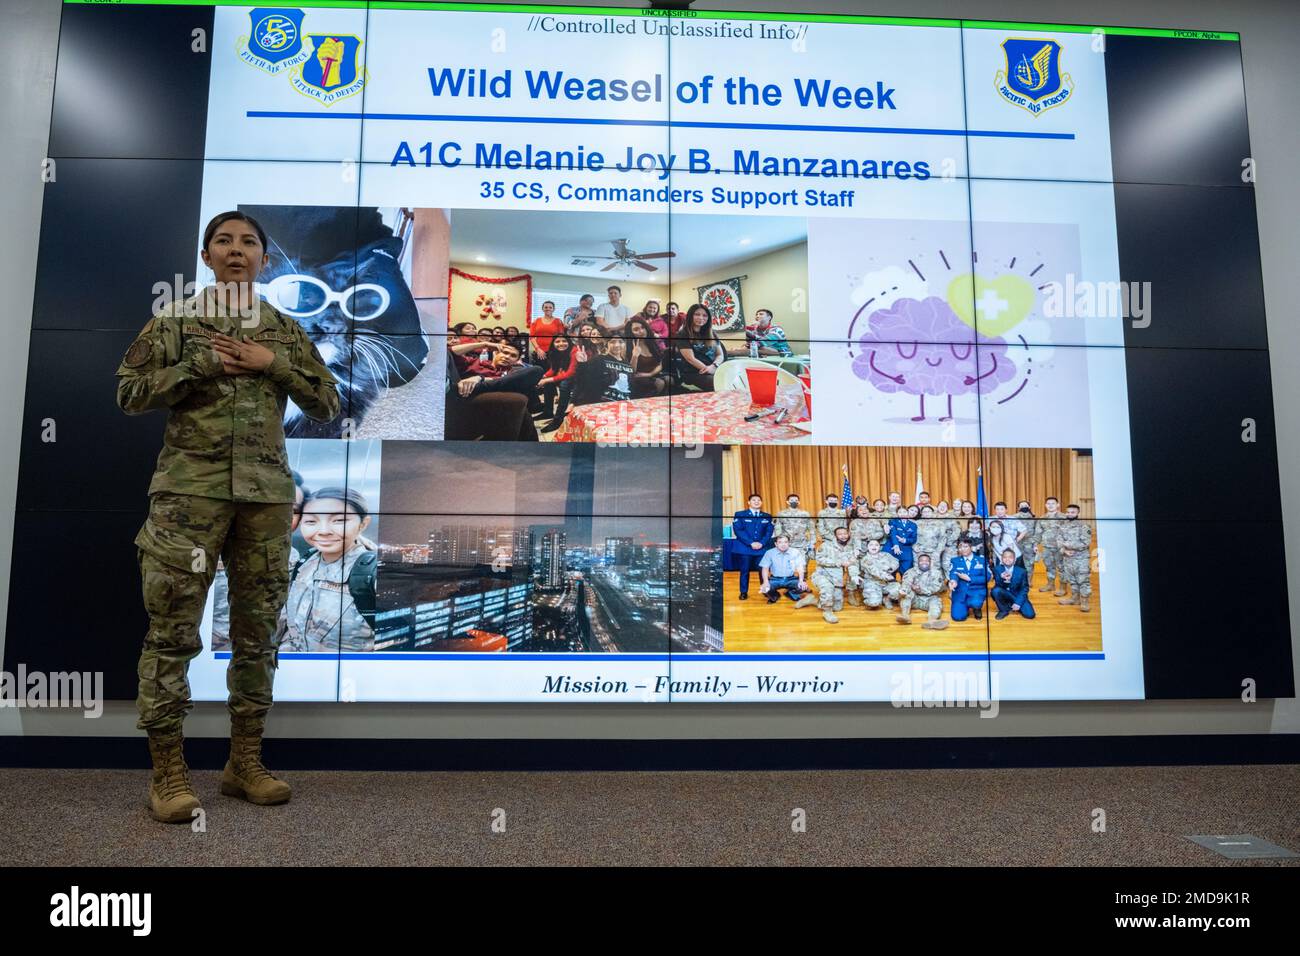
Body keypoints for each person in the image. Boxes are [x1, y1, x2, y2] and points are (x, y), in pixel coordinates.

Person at [117, 210, 341, 822]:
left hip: (266, 500)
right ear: (207, 255)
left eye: (249, 243)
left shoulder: (284, 329)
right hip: (189, 498)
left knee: (258, 635)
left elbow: (327, 400)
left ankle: (244, 764)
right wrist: (201, 365)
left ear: (264, 260)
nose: (237, 251)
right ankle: (168, 774)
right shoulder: (177, 320)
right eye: (225, 241)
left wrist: (274, 365)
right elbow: (128, 392)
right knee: (173, 633)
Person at [284, 488, 378, 652]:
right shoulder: (304, 564)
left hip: (352, 675)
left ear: (363, 524)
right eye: (311, 522)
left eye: (339, 521)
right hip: (299, 672)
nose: (324, 531)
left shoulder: (372, 572)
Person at [803, 526, 858, 624]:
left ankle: (812, 600)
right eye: (840, 534)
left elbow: (852, 562)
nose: (843, 536)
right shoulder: (826, 545)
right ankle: (827, 613)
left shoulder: (849, 547)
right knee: (827, 589)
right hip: (823, 575)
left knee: (838, 607)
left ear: (848, 534)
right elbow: (819, 559)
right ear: (835, 536)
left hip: (837, 580)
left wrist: (854, 575)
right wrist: (839, 562)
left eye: (845, 534)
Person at [674, 303, 727, 391]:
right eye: (697, 314)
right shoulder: (682, 334)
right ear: (690, 316)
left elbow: (720, 355)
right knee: (718, 383)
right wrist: (708, 370)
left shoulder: (711, 333)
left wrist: (714, 366)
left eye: (704, 315)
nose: (701, 318)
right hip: (693, 372)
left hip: (713, 369)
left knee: (732, 379)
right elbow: (690, 359)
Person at [732, 494, 774, 600]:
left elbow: (769, 532)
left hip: (761, 548)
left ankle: (765, 589)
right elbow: (738, 530)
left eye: (759, 500)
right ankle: (743, 592)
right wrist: (751, 543)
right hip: (745, 548)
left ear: (761, 502)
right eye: (754, 500)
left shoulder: (767, 516)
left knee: (763, 571)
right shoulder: (740, 514)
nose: (756, 502)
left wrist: (762, 543)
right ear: (749, 502)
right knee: (744, 571)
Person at [1057, 504, 1094, 612]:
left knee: (1083, 580)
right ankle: (1074, 598)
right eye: (1068, 512)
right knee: (1072, 580)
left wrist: (1067, 544)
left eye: (1072, 512)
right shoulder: (1062, 526)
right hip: (1067, 558)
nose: (1069, 514)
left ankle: (1084, 602)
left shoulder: (1084, 526)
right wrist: (1064, 551)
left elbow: (1085, 543)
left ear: (1078, 513)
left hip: (1081, 559)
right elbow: (1059, 541)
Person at [897, 553, 949, 629]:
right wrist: (903, 591)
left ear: (930, 563)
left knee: (936, 602)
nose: (924, 562)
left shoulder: (936, 573)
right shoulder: (911, 571)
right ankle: (905, 616)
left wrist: (920, 590)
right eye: (921, 561)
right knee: (907, 595)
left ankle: (932, 621)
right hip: (915, 599)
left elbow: (936, 588)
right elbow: (906, 583)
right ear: (918, 562)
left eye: (926, 561)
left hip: (929, 599)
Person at [537, 333, 578, 424]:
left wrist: (546, 379)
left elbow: (571, 373)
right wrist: (542, 377)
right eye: (557, 341)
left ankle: (558, 418)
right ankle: (548, 412)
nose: (561, 343)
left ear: (569, 342)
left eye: (564, 341)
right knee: (548, 383)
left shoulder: (574, 350)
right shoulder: (555, 352)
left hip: (578, 379)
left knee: (564, 384)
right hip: (567, 377)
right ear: (553, 343)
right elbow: (553, 369)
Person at [623, 317, 667, 398]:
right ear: (631, 333)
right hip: (637, 378)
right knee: (660, 383)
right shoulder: (628, 346)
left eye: (643, 327)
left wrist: (650, 374)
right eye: (636, 329)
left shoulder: (652, 342)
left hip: (651, 374)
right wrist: (635, 356)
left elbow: (660, 364)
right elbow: (631, 372)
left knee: (669, 380)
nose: (641, 331)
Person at [758, 534, 808, 603]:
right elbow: (765, 568)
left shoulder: (795, 552)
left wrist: (801, 580)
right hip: (775, 579)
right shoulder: (769, 553)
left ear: (789, 543)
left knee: (803, 587)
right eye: (780, 542)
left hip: (791, 578)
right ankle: (775, 596)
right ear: (776, 544)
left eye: (785, 542)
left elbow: (800, 567)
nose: (783, 544)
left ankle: (791, 593)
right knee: (764, 589)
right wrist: (766, 582)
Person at [947, 539, 989, 622]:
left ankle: (976, 608)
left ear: (971, 548)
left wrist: (970, 579)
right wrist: (953, 581)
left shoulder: (981, 560)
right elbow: (953, 573)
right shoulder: (955, 560)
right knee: (958, 617)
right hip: (960, 591)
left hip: (976, 591)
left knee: (975, 602)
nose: (963, 549)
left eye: (965, 547)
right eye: (960, 547)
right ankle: (963, 606)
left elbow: (988, 577)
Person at [991, 548, 1036, 620]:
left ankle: (1012, 604)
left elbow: (1025, 588)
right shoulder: (997, 569)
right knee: (995, 591)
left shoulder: (1022, 571)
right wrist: (1001, 578)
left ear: (1014, 560)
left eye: (1010, 557)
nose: (1007, 559)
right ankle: (1003, 610)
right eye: (1005, 557)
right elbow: (998, 586)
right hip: (1005, 593)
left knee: (1030, 615)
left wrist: (1018, 602)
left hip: (1017, 595)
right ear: (1002, 559)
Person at [858, 538, 901, 611]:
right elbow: (874, 571)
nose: (874, 547)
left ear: (879, 547)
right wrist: (886, 575)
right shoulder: (865, 559)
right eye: (871, 545)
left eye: (876, 545)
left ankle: (886, 599)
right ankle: (874, 597)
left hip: (887, 583)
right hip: (872, 583)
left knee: (900, 590)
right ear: (867, 547)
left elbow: (896, 562)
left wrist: (890, 569)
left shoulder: (886, 555)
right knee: (874, 603)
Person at [1036, 496, 1067, 596]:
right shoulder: (1042, 518)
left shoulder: (1064, 517)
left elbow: (1068, 533)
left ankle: (1063, 587)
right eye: (1048, 504)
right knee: (1049, 567)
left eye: (1053, 503)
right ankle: (1050, 584)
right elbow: (1038, 533)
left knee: (1061, 567)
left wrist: (1067, 547)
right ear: (1045, 505)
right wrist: (1036, 545)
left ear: (1057, 505)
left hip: (1060, 548)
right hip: (1047, 547)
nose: (1050, 505)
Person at [773, 493, 815, 562]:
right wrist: (779, 544)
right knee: (787, 568)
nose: (794, 501)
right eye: (791, 500)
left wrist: (812, 543)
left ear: (799, 502)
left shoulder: (805, 514)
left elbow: (812, 530)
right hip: (787, 545)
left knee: (802, 568)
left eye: (796, 500)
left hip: (802, 545)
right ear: (787, 502)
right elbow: (778, 531)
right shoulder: (781, 514)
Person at [888, 505, 918, 575]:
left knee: (908, 564)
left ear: (908, 512)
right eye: (900, 512)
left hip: (906, 548)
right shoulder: (893, 521)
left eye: (904, 511)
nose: (902, 513)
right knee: (890, 567)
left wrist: (905, 540)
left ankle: (905, 582)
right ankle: (893, 583)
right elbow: (893, 533)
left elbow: (914, 538)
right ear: (897, 514)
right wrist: (896, 545)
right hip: (893, 546)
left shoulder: (913, 525)